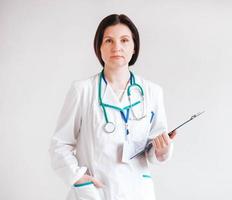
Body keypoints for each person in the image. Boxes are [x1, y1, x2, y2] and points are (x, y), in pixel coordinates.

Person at [49, 14, 176, 200]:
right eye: (109, 40)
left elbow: (154, 149)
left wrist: (162, 150)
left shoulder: (152, 92)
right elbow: (59, 144)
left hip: (137, 191)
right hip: (95, 193)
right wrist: (78, 178)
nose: (117, 47)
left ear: (134, 47)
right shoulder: (82, 90)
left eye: (124, 40)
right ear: (99, 48)